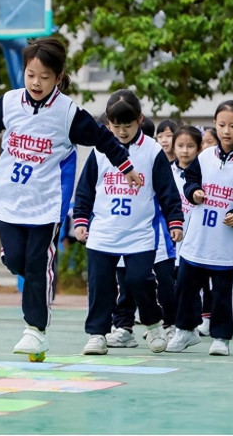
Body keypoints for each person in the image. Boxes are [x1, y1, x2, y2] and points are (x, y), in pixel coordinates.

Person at [0, 38, 143, 358]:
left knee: (37, 264)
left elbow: (103, 139)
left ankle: (35, 330)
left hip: (46, 204)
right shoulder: (10, 102)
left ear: (58, 77)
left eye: (44, 77)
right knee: (17, 261)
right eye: (30, 75)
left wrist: (127, 167)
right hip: (9, 198)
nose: (36, 83)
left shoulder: (67, 113)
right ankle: (31, 282)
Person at [73, 89, 184, 355]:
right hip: (103, 231)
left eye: (128, 125)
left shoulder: (152, 151)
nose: (122, 132)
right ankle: (97, 334)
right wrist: (81, 219)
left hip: (139, 232)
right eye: (116, 126)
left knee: (139, 280)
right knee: (100, 285)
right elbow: (86, 188)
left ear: (140, 119)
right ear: (108, 123)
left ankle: (153, 324)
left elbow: (167, 190)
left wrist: (175, 220)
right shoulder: (100, 150)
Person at [167, 100, 233, 356]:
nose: (226, 131)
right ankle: (185, 331)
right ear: (215, 124)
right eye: (221, 125)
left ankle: (221, 337)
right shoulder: (205, 156)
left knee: (222, 293)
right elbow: (190, 179)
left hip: (227, 245)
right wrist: (193, 191)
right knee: (185, 286)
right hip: (197, 239)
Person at [169, 126, 206, 334]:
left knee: (191, 281)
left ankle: (194, 321)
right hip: (171, 235)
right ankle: (169, 322)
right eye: (180, 146)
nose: (185, 151)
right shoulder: (165, 171)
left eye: (190, 146)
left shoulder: (205, 173)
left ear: (199, 148)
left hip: (196, 235)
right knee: (170, 280)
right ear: (173, 147)